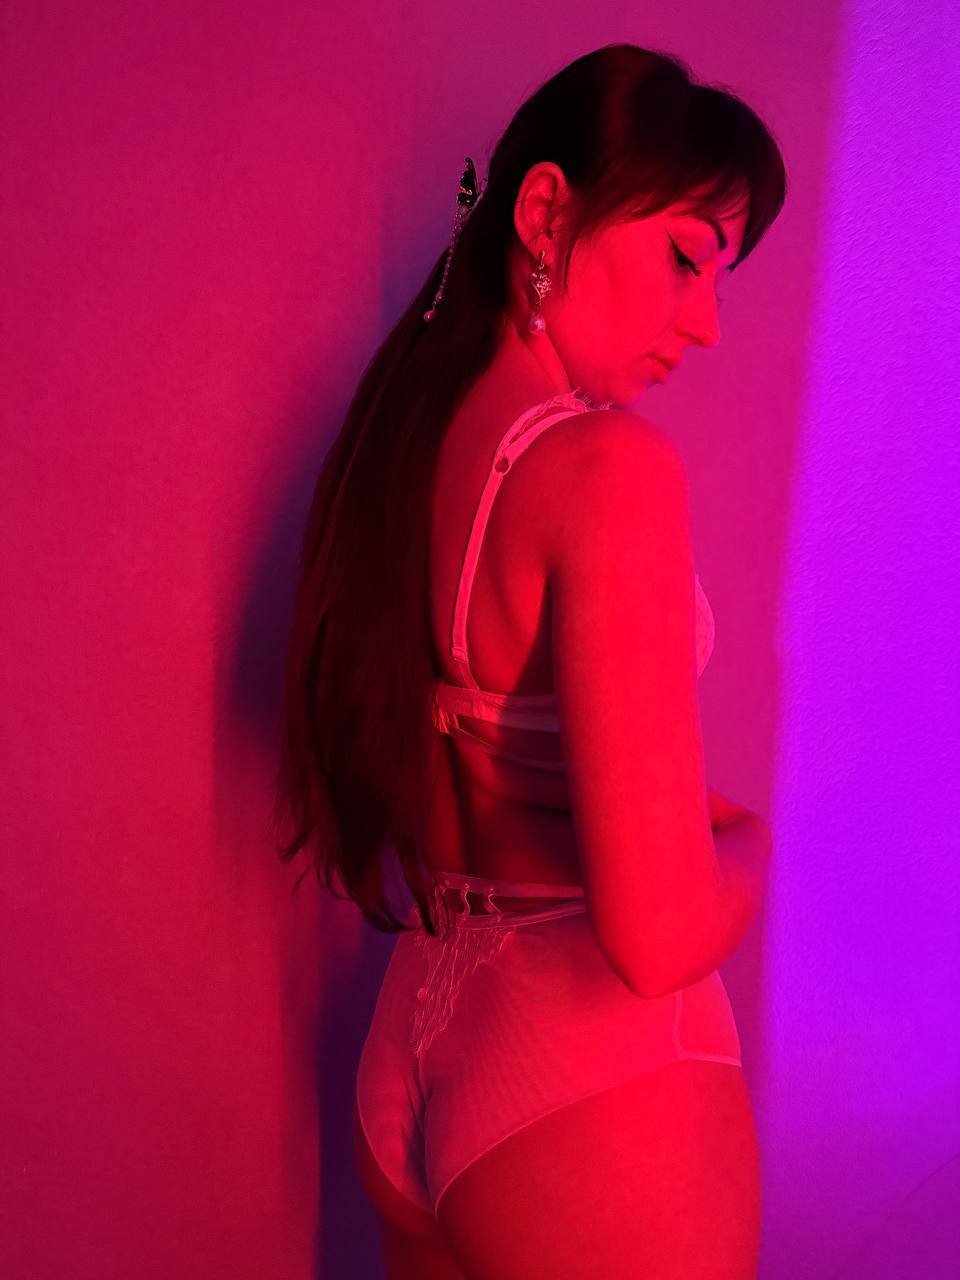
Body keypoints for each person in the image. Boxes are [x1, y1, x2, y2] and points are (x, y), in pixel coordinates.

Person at [272, 42, 785, 1280]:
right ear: (547, 212)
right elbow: (658, 937)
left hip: (417, 1039)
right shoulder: (609, 471)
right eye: (686, 258)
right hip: (588, 1085)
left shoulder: (407, 442)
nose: (707, 323)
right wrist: (754, 850)